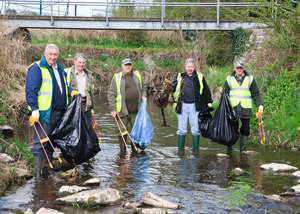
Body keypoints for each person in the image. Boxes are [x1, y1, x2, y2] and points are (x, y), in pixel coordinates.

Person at [25, 44, 79, 179]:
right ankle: (38, 176)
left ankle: (46, 172)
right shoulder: (37, 68)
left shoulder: (59, 69)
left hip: (59, 113)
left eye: (55, 54)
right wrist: (34, 110)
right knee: (40, 143)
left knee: (51, 142)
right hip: (43, 113)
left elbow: (61, 87)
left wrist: (70, 91)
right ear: (45, 54)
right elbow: (30, 91)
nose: (53, 57)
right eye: (50, 54)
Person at [108, 58, 147, 153]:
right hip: (122, 111)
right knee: (122, 132)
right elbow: (111, 94)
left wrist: (144, 95)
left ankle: (135, 152)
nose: (128, 66)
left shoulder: (137, 75)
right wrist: (113, 109)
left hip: (136, 110)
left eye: (129, 64)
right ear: (122, 66)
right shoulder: (117, 78)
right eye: (126, 65)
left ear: (132, 66)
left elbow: (144, 87)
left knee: (136, 132)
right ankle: (122, 153)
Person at [172, 58, 213, 150]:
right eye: (188, 66)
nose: (190, 68)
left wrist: (209, 102)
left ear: (194, 67)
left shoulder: (199, 77)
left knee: (195, 130)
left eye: (192, 66)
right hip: (181, 106)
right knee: (181, 130)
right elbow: (172, 88)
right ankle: (180, 150)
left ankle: (195, 150)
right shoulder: (179, 76)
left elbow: (206, 90)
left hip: (195, 107)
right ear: (185, 66)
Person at [222, 61, 263, 151]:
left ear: (243, 68)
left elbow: (256, 94)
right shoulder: (229, 79)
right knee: (232, 128)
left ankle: (243, 149)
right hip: (233, 109)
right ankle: (229, 149)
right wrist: (222, 91)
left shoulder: (250, 79)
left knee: (245, 129)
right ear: (234, 69)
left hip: (246, 108)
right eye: (237, 68)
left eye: (241, 68)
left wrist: (259, 105)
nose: (239, 69)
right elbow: (224, 94)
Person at [65, 53, 94, 125]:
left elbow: (91, 93)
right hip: (72, 106)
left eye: (83, 63)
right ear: (74, 62)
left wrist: (92, 107)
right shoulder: (66, 72)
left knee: (87, 128)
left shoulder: (88, 75)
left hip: (86, 105)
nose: (81, 65)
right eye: (79, 62)